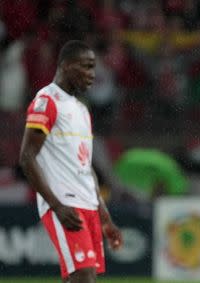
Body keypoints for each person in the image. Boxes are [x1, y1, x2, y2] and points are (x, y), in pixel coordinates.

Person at [19, 40, 123, 283]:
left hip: (88, 205)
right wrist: (56, 205)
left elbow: (86, 169)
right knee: (83, 276)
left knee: (80, 278)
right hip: (65, 203)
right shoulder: (47, 101)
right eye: (86, 67)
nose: (92, 75)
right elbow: (26, 157)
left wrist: (105, 218)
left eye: (93, 68)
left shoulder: (82, 111)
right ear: (66, 66)